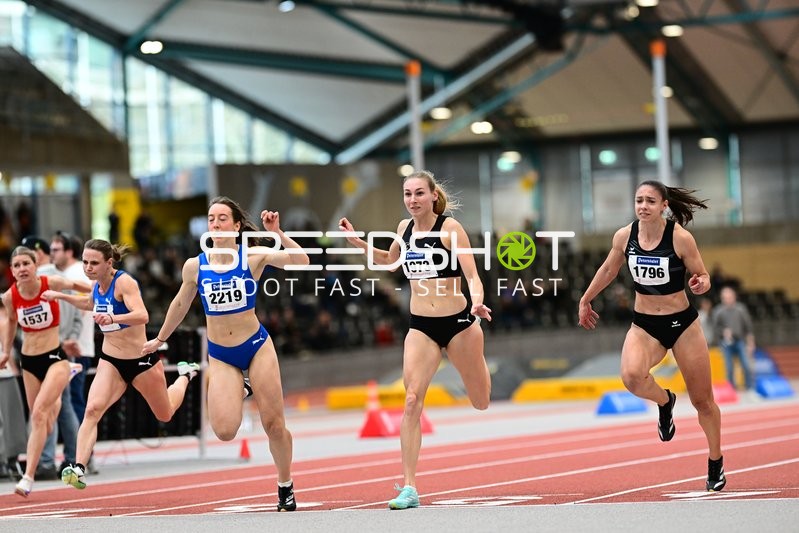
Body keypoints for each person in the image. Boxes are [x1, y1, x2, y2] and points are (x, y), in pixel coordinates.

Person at [141, 197, 309, 512]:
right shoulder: (195, 266)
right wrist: (159, 338)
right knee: (224, 430)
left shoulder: (253, 255)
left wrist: (279, 232)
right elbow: (179, 304)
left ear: (235, 226)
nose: (215, 224)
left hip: (256, 347)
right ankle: (242, 387)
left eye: (222, 219)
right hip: (221, 355)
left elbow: (302, 261)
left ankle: (285, 485)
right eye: (211, 219)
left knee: (273, 424)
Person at [339, 170, 492, 510]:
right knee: (411, 401)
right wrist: (359, 244)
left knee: (480, 400)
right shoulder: (403, 229)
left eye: (419, 193)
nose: (412, 200)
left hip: (460, 324)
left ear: (432, 195)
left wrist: (478, 302)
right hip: (421, 326)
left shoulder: (450, 229)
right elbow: (390, 260)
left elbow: (472, 275)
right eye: (407, 194)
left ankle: (477, 360)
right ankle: (409, 487)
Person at [577, 180, 726, 492]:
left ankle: (715, 460)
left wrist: (701, 284)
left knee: (703, 401)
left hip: (682, 325)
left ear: (664, 206)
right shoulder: (624, 236)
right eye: (638, 200)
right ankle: (665, 401)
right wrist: (586, 299)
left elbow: (703, 275)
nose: (643, 206)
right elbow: (608, 271)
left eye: (650, 201)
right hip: (645, 325)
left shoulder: (681, 238)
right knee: (631, 376)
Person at [42, 239, 200, 491]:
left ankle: (186, 374)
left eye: (94, 263)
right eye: (85, 262)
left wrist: (113, 317)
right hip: (111, 360)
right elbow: (90, 303)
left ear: (109, 263)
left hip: (141, 360)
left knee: (166, 413)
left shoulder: (124, 282)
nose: (88, 267)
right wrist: (60, 295)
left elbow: (142, 315)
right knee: (92, 409)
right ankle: (78, 467)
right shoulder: (98, 285)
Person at [0, 246, 90, 497]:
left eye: (25, 264)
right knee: (46, 424)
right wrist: (6, 352)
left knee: (38, 415)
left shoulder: (52, 283)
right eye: (16, 265)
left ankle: (27, 477)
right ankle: (61, 387)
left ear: (35, 265)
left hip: (54, 357)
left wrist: (104, 293)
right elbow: (9, 322)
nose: (21, 269)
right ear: (12, 271)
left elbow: (80, 286)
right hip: (29, 361)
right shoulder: (10, 296)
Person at [21, 235, 82, 480]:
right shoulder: (38, 280)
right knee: (59, 407)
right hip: (57, 348)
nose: (22, 269)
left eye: (57, 249)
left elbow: (79, 307)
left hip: (61, 349)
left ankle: (47, 461)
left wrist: (70, 338)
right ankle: (73, 458)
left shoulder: (54, 277)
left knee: (48, 409)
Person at [712, 286, 755, 391]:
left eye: (729, 297)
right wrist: (723, 332)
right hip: (725, 343)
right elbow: (715, 328)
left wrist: (750, 343)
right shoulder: (718, 311)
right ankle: (731, 389)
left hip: (740, 341)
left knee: (746, 364)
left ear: (734, 297)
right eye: (725, 297)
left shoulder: (741, 309)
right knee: (729, 367)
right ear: (722, 298)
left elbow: (748, 327)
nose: (727, 299)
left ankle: (749, 387)